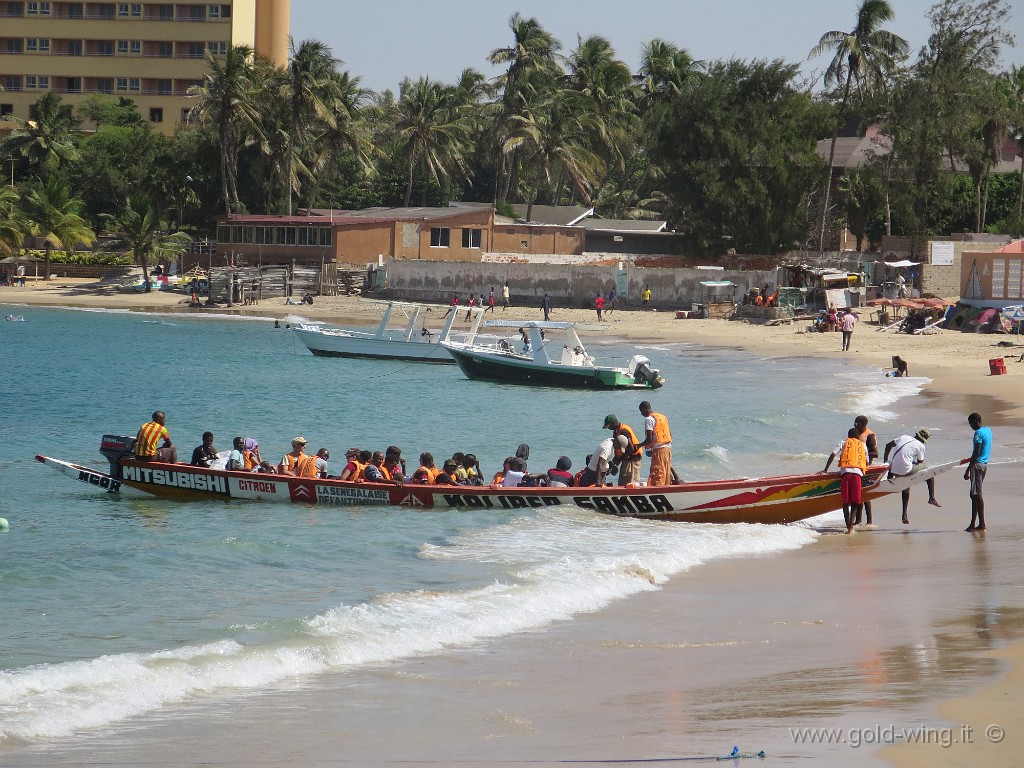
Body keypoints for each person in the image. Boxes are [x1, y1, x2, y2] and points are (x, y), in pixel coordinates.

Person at [883, 429, 940, 525]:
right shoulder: (921, 445)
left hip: (893, 469)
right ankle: (932, 498)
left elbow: (888, 446)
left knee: (906, 484)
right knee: (929, 472)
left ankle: (904, 514)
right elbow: (919, 462)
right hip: (906, 470)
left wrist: (886, 462)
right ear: (923, 439)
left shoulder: (903, 437)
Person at [822, 428, 867, 534]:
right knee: (855, 502)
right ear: (857, 437)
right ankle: (851, 526)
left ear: (848, 436)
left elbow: (833, 454)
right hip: (857, 475)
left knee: (846, 502)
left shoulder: (843, 442)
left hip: (845, 474)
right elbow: (867, 461)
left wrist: (825, 470)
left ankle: (847, 525)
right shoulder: (863, 445)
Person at [963, 412, 991, 531]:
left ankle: (981, 524)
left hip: (977, 466)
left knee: (977, 494)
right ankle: (972, 524)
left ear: (975, 421)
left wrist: (968, 469)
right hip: (984, 465)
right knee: (973, 494)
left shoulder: (978, 434)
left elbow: (976, 453)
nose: (971, 427)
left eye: (971, 424)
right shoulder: (988, 430)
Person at [638, 401, 672, 487]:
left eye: (641, 411)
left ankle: (657, 493)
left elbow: (649, 439)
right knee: (665, 475)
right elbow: (670, 434)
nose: (641, 414)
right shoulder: (662, 417)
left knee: (657, 475)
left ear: (644, 409)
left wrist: (639, 446)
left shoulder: (649, 419)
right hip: (667, 449)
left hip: (658, 451)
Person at [603, 414, 642, 486]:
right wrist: (613, 465)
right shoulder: (616, 432)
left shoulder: (624, 431)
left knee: (630, 482)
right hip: (626, 458)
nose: (609, 428)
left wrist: (619, 461)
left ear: (614, 423)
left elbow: (631, 449)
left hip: (633, 459)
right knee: (623, 481)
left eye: (609, 426)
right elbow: (619, 451)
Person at [853, 415, 878, 525]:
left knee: (864, 493)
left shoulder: (869, 435)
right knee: (860, 493)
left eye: (857, 423)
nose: (855, 425)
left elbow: (875, 453)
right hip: (857, 466)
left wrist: (862, 453)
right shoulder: (857, 433)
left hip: (865, 467)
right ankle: (859, 520)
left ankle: (868, 521)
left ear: (863, 424)